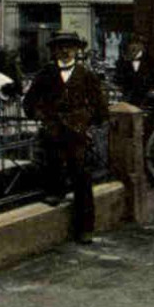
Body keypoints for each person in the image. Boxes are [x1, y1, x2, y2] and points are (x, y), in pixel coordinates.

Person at [23, 31, 109, 244]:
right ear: (54, 50)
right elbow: (30, 102)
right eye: (60, 46)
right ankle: (55, 191)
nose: (65, 50)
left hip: (78, 134)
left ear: (77, 50)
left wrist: (86, 121)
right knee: (52, 163)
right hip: (53, 131)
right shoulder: (46, 73)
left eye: (69, 46)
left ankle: (85, 228)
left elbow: (100, 107)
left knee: (81, 178)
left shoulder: (86, 75)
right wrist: (43, 116)